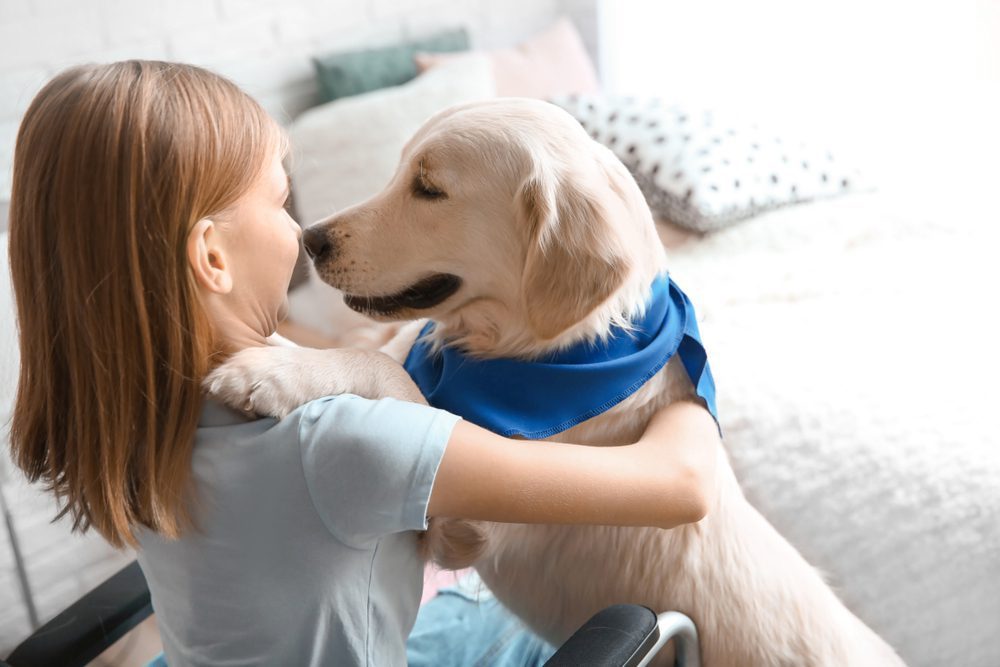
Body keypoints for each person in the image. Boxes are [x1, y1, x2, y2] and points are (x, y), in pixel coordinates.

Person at [6, 61, 721, 666]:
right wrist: (684, 362)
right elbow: (681, 486)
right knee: (521, 626)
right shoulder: (345, 443)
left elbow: (376, 406)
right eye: (283, 202)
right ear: (212, 257)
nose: (305, 230)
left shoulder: (136, 405)